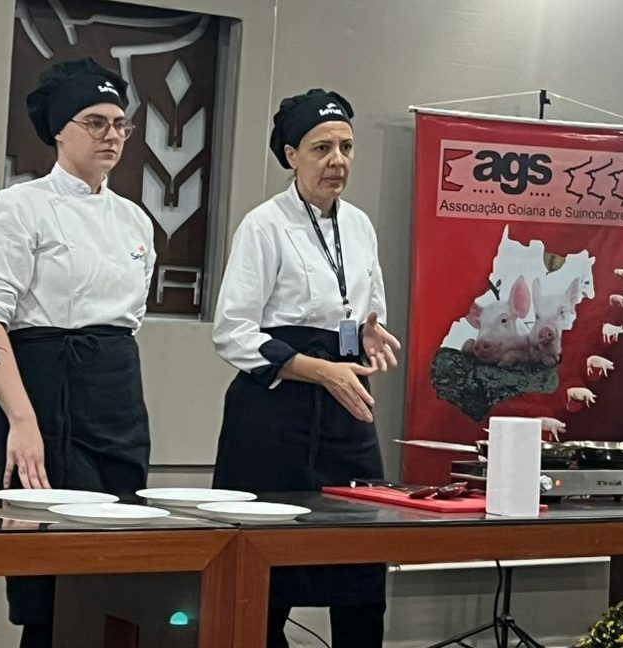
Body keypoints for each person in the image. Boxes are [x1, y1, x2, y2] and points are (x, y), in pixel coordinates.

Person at [0, 57, 155, 648]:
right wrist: (21, 414)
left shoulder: (135, 220)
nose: (111, 135)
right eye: (95, 122)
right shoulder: (19, 206)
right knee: (51, 577)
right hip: (45, 407)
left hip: (116, 397)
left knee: (115, 571)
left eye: (120, 124)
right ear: (59, 131)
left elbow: (120, 322)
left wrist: (16, 366)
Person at [210, 89, 401, 648]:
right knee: (264, 570)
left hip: (346, 406)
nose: (337, 160)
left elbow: (361, 309)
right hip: (274, 413)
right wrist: (318, 369)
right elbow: (233, 331)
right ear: (291, 154)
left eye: (346, 147)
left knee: (361, 559)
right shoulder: (264, 225)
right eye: (322, 148)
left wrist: (363, 335)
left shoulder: (360, 225)